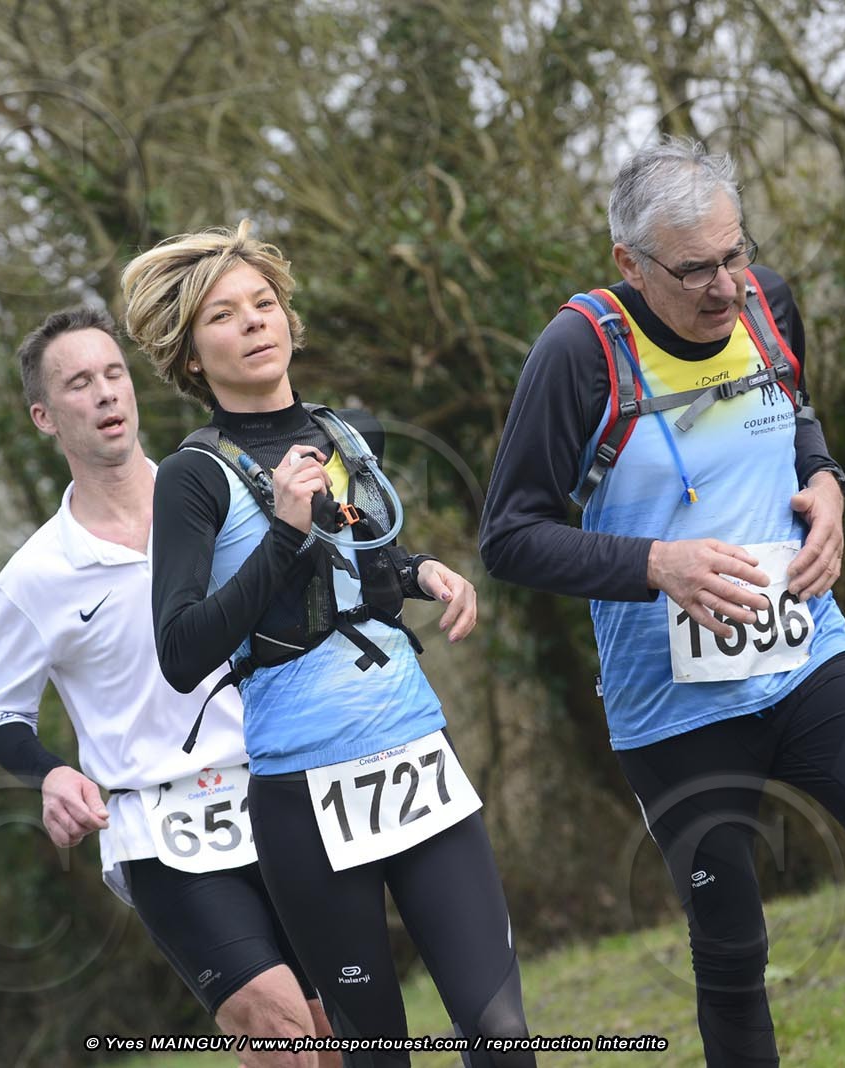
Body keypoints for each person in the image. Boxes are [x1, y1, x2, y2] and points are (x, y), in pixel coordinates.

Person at [479, 137, 845, 1067]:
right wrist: (657, 564)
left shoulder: (768, 304)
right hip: (673, 702)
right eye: (695, 270)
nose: (725, 287)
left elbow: (797, 417)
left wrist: (828, 482)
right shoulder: (579, 352)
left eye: (735, 255)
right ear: (630, 264)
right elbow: (509, 535)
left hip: (805, 652)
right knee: (733, 948)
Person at [122, 222, 533, 1068]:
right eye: (224, 316)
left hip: (415, 758)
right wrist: (282, 530)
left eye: (263, 304)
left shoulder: (350, 436)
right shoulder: (192, 478)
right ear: (191, 356)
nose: (253, 322)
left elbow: (364, 560)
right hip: (304, 797)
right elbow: (181, 650)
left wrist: (421, 573)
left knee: (501, 1035)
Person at [0, 306, 336, 1067]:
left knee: (336, 1038)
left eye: (113, 374)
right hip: (164, 830)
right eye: (78, 384)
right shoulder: (33, 578)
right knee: (280, 1035)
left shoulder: (221, 496)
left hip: (282, 789)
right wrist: (52, 773)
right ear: (44, 416)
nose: (105, 393)